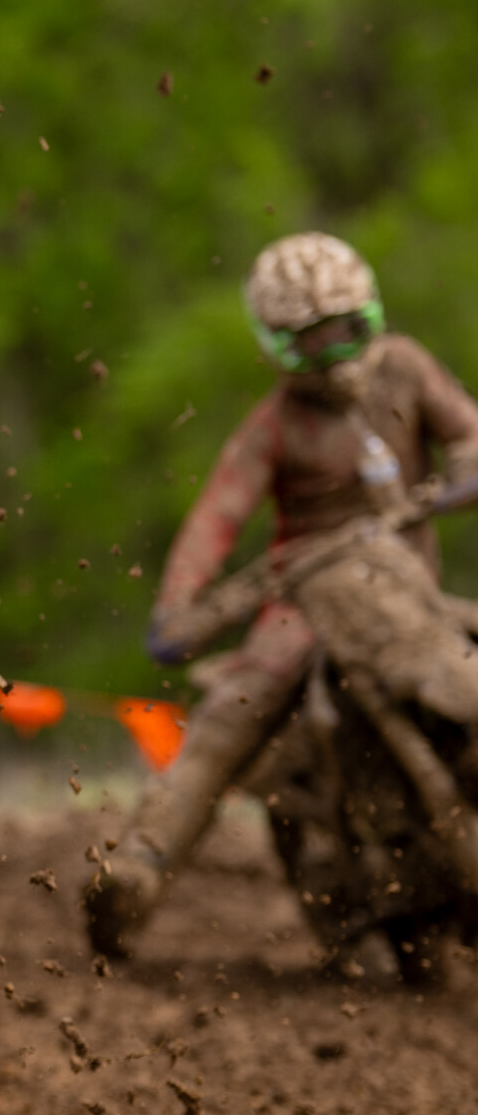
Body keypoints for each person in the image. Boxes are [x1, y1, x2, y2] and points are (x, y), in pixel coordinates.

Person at [85, 232, 478, 958]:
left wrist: (459, 476)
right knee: (230, 719)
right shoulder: (274, 428)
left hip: (410, 596)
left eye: (347, 332)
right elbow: (213, 520)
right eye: (311, 342)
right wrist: (179, 605)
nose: (335, 355)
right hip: (305, 602)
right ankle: (139, 868)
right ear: (275, 348)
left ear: (373, 314)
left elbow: (469, 433)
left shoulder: (408, 370)